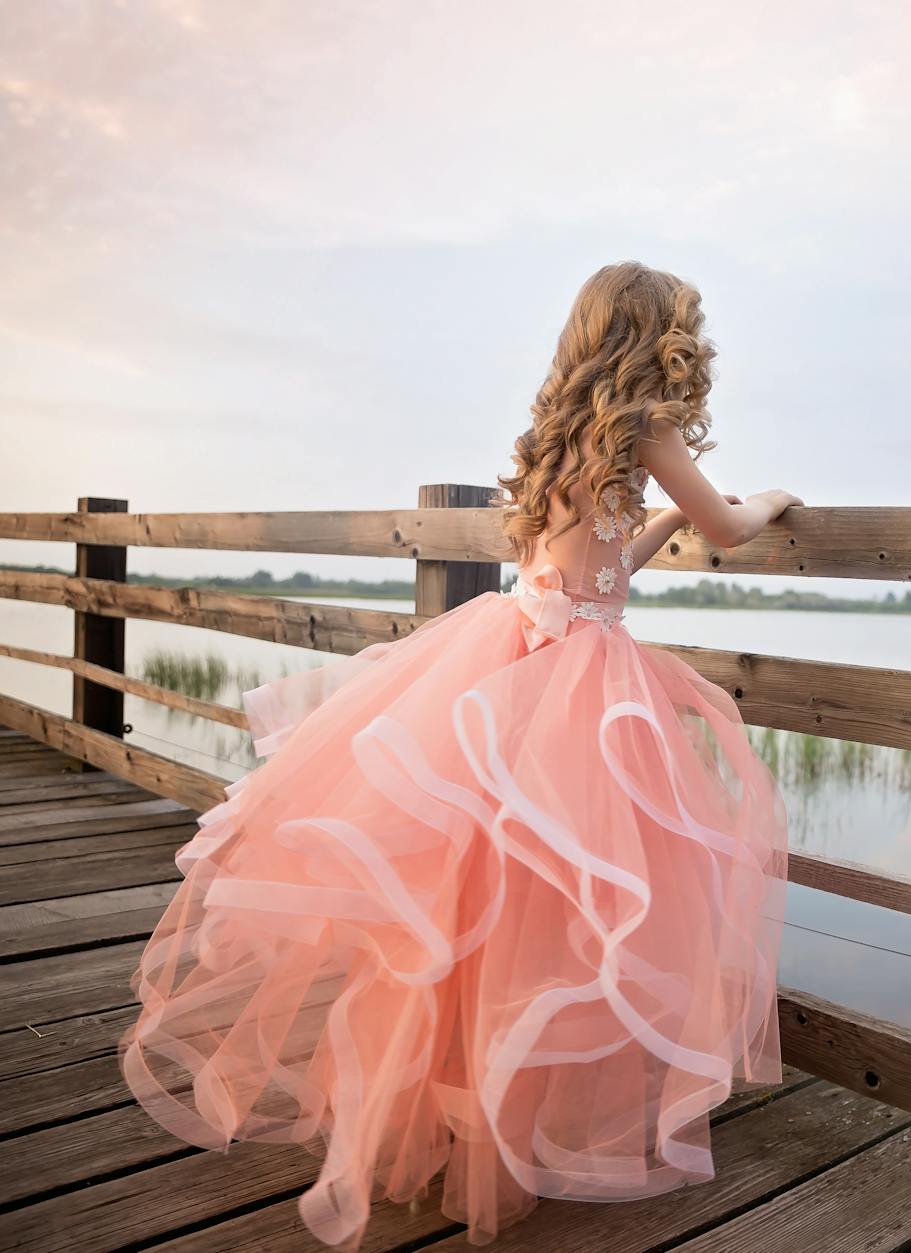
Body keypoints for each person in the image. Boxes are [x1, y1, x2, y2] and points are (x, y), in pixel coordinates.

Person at [118, 262, 802, 1250]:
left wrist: (651, 524)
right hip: (577, 682)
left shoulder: (565, 434)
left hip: (521, 658)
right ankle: (519, 1113)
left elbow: (587, 565)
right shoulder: (645, 430)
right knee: (556, 908)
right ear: (657, 339)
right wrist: (771, 498)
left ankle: (460, 1109)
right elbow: (729, 530)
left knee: (478, 900)